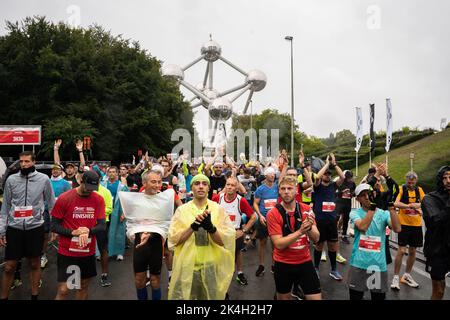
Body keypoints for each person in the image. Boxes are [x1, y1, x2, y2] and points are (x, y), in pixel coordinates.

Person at [167, 174, 235, 300]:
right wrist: (192, 227)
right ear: (191, 188)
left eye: (204, 184)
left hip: (211, 266)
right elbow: (174, 241)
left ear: (209, 188)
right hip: (188, 267)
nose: (201, 187)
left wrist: (211, 229)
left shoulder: (218, 210)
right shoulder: (182, 211)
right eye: (197, 183)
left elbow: (225, 242)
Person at [0, 151, 55, 300]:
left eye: (26, 161)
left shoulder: (44, 179)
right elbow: (5, 206)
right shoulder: (11, 180)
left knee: (35, 264)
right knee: (9, 266)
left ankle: (34, 296)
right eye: (21, 162)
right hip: (15, 228)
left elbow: (52, 204)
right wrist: (2, 231)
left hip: (35, 227)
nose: (23, 165)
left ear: (34, 162)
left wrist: (54, 227)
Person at [119, 169, 176, 300]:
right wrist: (140, 233)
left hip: (156, 243)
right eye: (153, 182)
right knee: (139, 280)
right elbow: (131, 225)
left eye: (159, 182)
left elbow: (166, 224)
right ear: (144, 182)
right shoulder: (135, 200)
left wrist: (150, 232)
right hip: (140, 244)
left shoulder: (165, 199)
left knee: (155, 280)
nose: (157, 185)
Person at [51, 171, 106, 300]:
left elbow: (102, 225)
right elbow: (54, 226)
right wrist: (72, 232)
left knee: (83, 287)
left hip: (87, 252)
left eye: (93, 189)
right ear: (81, 181)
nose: (89, 191)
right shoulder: (65, 198)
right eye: (87, 188)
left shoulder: (98, 199)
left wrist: (88, 231)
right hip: (67, 252)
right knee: (64, 289)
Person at [267, 176, 321, 300]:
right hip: (283, 263)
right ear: (279, 191)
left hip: (304, 261)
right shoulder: (273, 213)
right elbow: (279, 244)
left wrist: (309, 227)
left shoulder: (306, 209)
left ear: (296, 191)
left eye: (290, 188)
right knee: (283, 298)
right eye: (283, 188)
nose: (286, 191)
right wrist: (300, 231)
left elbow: (316, 238)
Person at [348, 183, 401, 300]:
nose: (367, 197)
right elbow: (362, 227)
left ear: (374, 193)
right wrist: (373, 207)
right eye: (363, 195)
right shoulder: (355, 213)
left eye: (369, 193)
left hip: (378, 265)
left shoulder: (384, 213)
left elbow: (397, 229)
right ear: (357, 199)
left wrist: (391, 207)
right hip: (359, 263)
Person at [213, 177, 257, 286]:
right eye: (228, 185)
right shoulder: (217, 198)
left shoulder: (240, 200)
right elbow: (208, 211)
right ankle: (221, 286)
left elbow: (253, 217)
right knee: (220, 260)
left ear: (237, 188)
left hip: (235, 234)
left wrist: (243, 231)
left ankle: (239, 274)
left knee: (237, 254)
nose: (229, 187)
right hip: (220, 234)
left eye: (232, 185)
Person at [312, 153, 346, 280]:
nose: (327, 175)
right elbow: (317, 177)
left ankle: (334, 270)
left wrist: (334, 163)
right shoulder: (318, 186)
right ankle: (316, 268)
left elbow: (342, 176)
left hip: (331, 220)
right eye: (326, 174)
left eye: (329, 174)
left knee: (333, 246)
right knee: (319, 245)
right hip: (320, 220)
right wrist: (326, 163)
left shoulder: (333, 185)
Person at [391, 171, 425, 290]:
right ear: (406, 180)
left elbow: (425, 203)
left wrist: (418, 206)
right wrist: (410, 206)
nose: (411, 184)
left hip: (416, 225)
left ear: (416, 181)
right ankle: (395, 277)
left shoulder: (419, 190)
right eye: (409, 182)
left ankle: (407, 275)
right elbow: (396, 203)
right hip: (404, 224)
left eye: (413, 182)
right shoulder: (402, 189)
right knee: (401, 250)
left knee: (413, 251)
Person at [421, 166, 450, 300]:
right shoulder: (429, 198)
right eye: (445, 178)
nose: (448, 181)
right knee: (438, 290)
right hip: (437, 250)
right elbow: (434, 221)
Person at [41, 163, 72, 268]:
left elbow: (69, 198)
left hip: (61, 213)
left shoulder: (65, 183)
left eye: (57, 169)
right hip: (46, 211)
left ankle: (64, 255)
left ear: (61, 171)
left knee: (61, 234)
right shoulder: (46, 182)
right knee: (45, 234)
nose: (55, 171)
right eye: (53, 169)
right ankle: (43, 255)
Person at [253, 166, 279, 276]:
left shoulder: (277, 187)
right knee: (262, 243)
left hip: (275, 220)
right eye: (270, 174)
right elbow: (255, 203)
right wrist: (260, 215)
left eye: (273, 174)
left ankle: (274, 265)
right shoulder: (261, 189)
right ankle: (262, 265)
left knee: (275, 243)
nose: (272, 175)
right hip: (264, 219)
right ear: (265, 175)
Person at [102, 166, 128, 261]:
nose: (112, 174)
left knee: (119, 232)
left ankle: (119, 252)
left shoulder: (122, 186)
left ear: (117, 173)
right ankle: (101, 252)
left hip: (118, 211)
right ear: (107, 173)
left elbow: (127, 201)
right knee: (102, 232)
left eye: (114, 172)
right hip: (104, 211)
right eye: (110, 172)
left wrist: (124, 213)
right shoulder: (102, 185)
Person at [335, 170, 356, 244]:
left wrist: (352, 194)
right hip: (339, 202)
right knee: (336, 217)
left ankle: (344, 235)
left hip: (347, 203)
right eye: (348, 178)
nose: (350, 179)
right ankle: (334, 233)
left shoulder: (352, 183)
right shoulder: (340, 182)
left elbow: (354, 193)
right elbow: (336, 193)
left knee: (346, 219)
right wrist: (342, 192)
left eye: (351, 178)